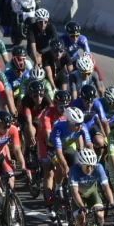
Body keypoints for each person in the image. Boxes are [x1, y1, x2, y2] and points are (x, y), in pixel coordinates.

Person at [70, 149, 114, 226]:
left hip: (92, 194)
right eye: (87, 166)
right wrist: (81, 206)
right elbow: (74, 192)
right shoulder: (74, 170)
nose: (90, 169)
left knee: (100, 215)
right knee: (81, 220)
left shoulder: (98, 167)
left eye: (92, 166)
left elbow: (106, 188)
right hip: (78, 196)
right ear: (80, 164)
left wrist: (112, 203)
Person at [38, 90, 71, 219]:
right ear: (55, 104)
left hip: (61, 143)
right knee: (49, 172)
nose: (64, 109)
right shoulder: (47, 114)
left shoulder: (68, 114)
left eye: (66, 106)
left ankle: (58, 187)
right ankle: (49, 204)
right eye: (61, 106)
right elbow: (48, 138)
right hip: (46, 144)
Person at [71, 84, 110, 151]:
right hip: (79, 127)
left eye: (91, 101)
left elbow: (105, 123)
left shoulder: (97, 104)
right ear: (81, 99)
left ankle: (100, 156)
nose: (89, 104)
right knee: (83, 147)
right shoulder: (75, 104)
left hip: (91, 125)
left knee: (100, 142)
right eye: (86, 101)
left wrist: (109, 139)